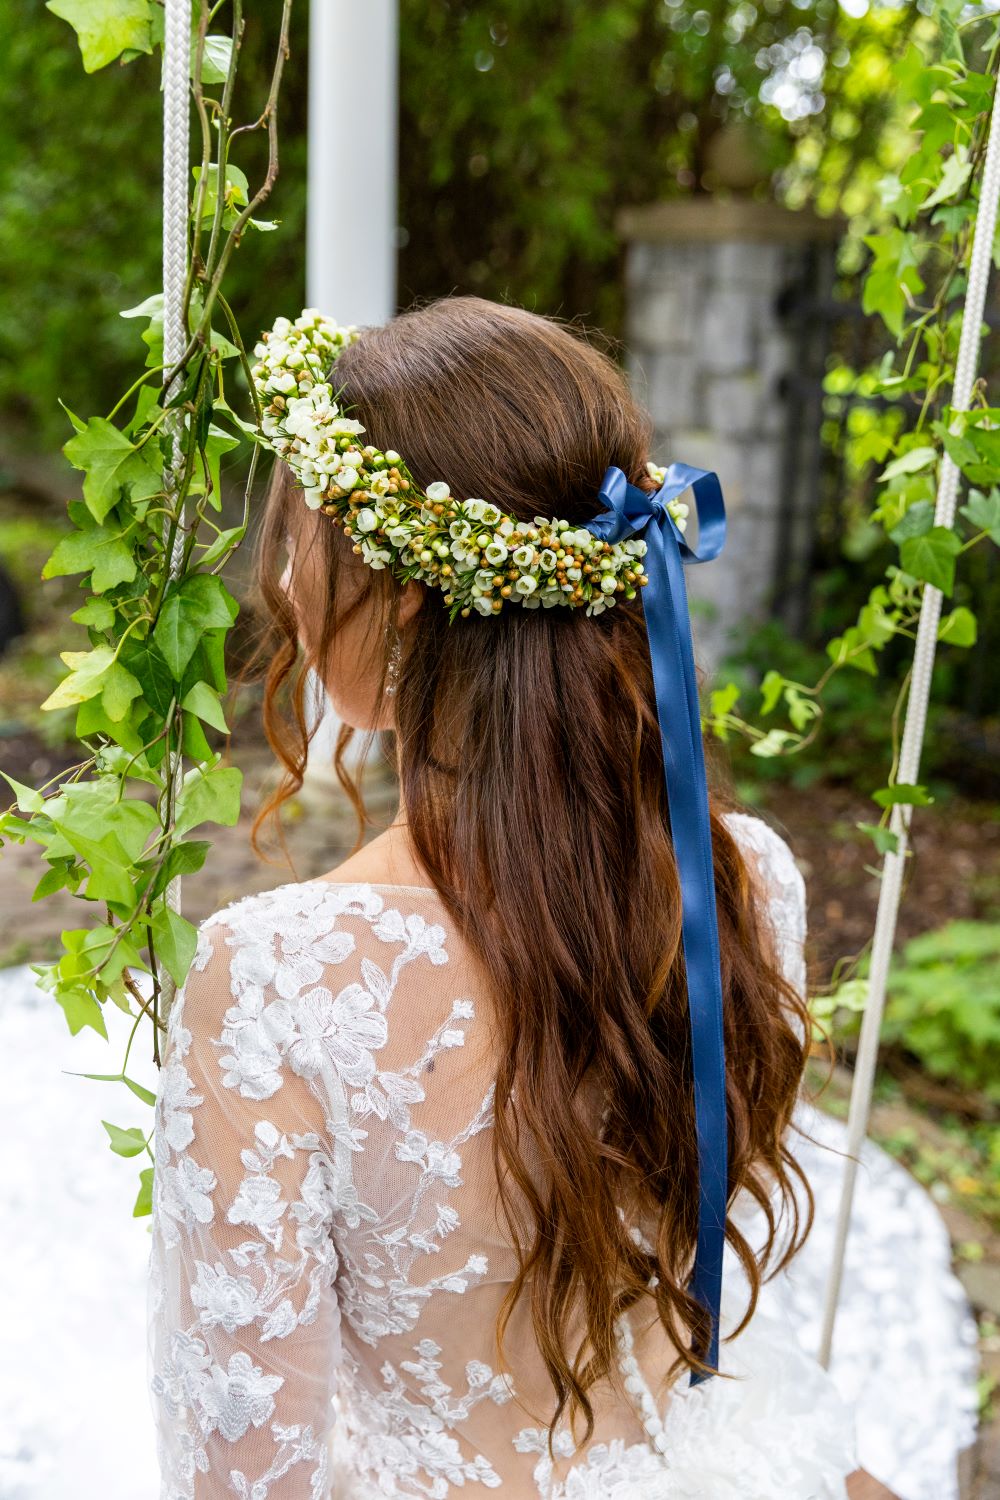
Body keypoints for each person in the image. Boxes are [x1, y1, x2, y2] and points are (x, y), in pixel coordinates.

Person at [147, 297, 973, 1499]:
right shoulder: (742, 878)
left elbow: (238, 1473)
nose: (279, 578)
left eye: (302, 535)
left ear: (412, 590)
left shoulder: (276, 977)